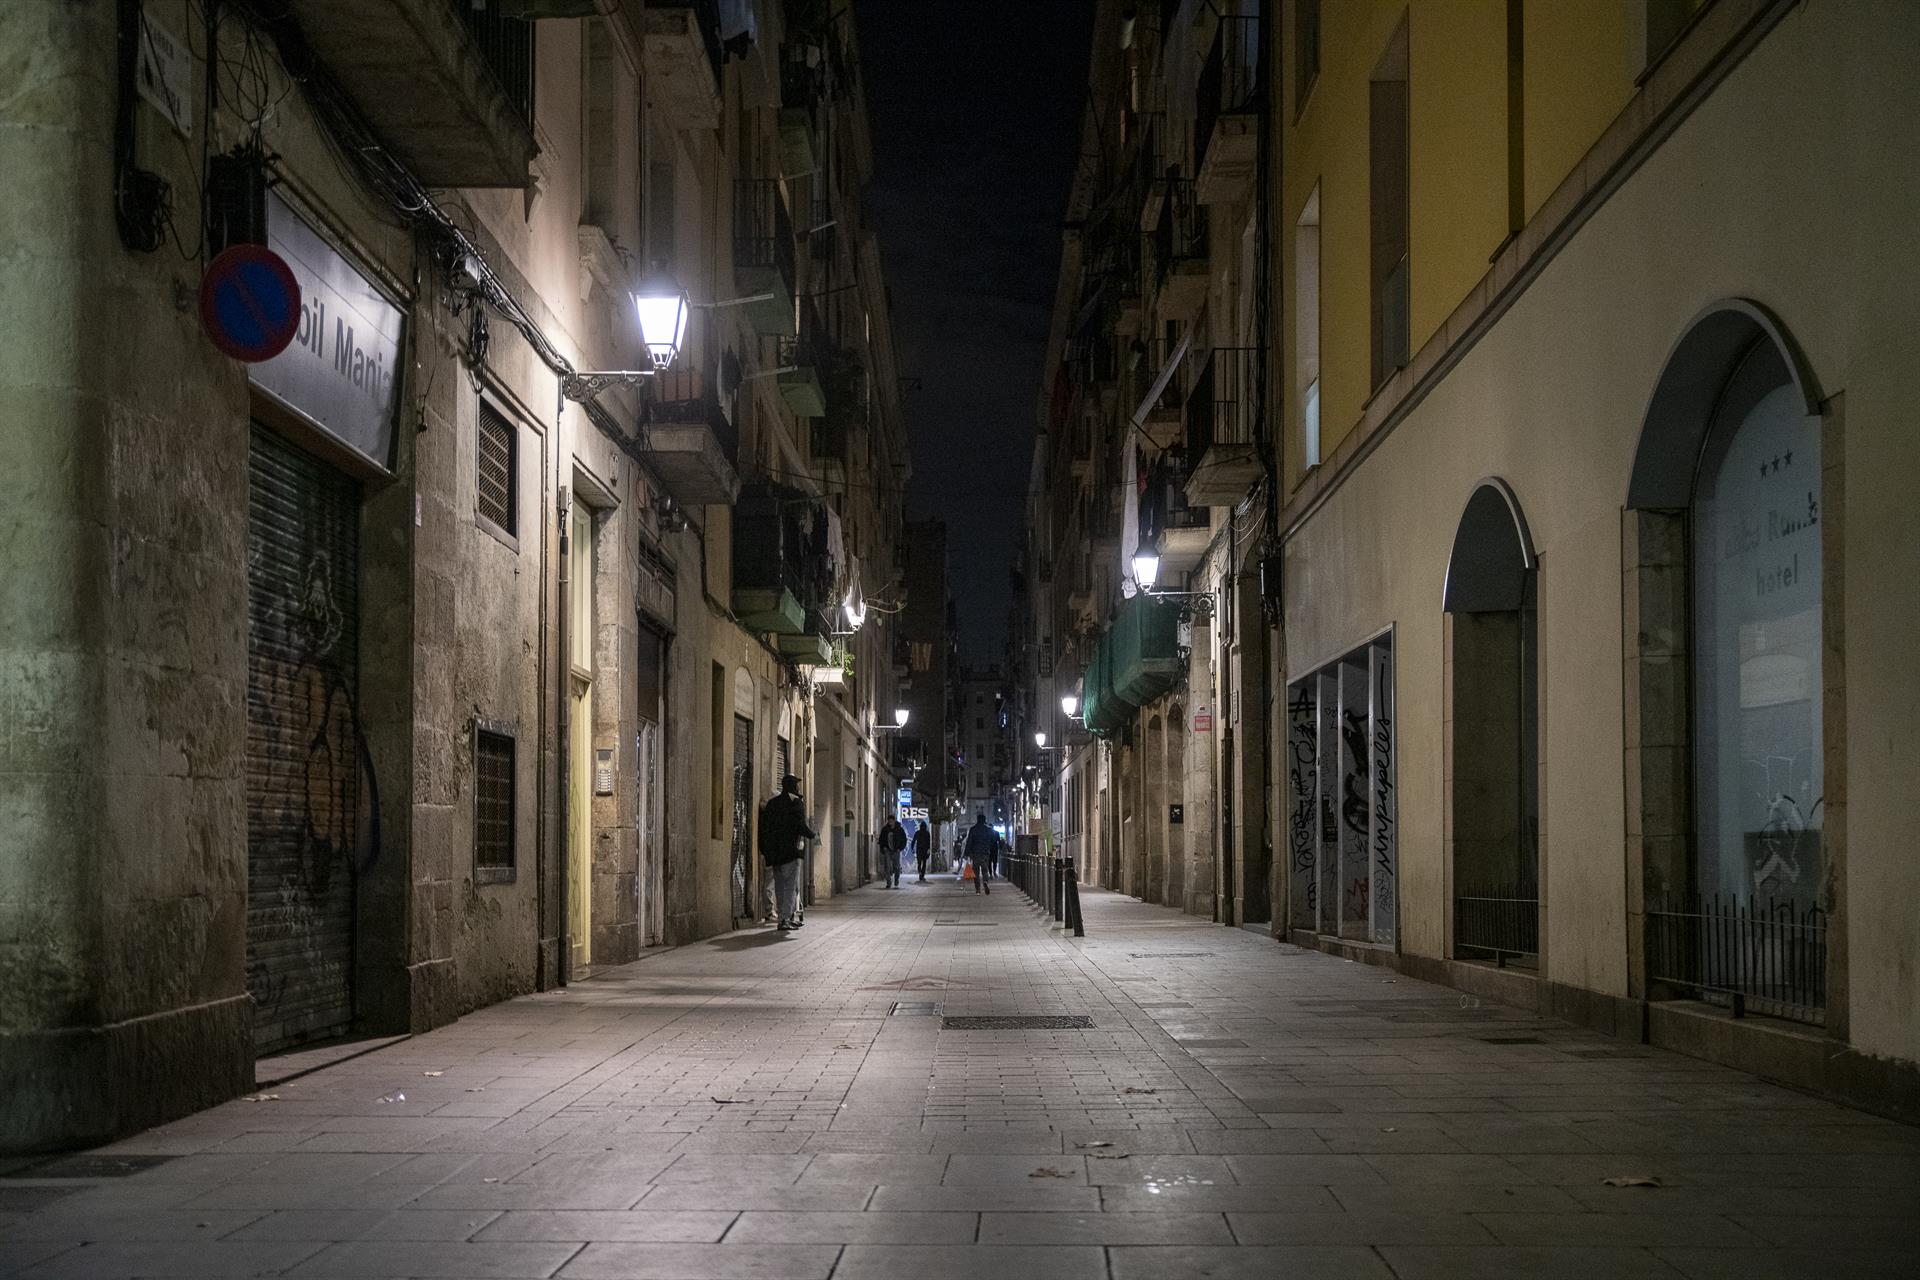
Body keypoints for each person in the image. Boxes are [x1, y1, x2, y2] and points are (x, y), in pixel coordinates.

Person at [758, 774, 814, 931]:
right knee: (790, 886)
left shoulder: (772, 804)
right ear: (793, 787)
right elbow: (800, 826)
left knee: (780, 887)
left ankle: (784, 917)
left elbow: (764, 828)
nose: (798, 788)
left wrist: (767, 851)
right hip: (790, 852)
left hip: (775, 855)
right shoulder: (796, 803)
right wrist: (812, 835)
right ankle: (785, 919)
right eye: (797, 785)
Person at [963, 812, 996, 895]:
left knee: (976, 871)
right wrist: (991, 850)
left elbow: (969, 842)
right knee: (985, 870)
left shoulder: (973, 829)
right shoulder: (988, 830)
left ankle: (977, 889)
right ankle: (985, 882)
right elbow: (993, 842)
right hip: (985, 853)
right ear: (984, 820)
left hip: (976, 853)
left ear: (977, 820)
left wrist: (966, 853)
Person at [878, 812, 907, 888]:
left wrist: (899, 849)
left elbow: (904, 840)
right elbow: (881, 839)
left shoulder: (899, 829)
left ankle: (896, 880)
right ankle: (888, 882)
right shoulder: (885, 829)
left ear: (894, 821)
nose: (890, 823)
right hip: (887, 850)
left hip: (896, 850)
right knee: (887, 866)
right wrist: (883, 847)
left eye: (891, 821)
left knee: (897, 867)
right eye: (889, 821)